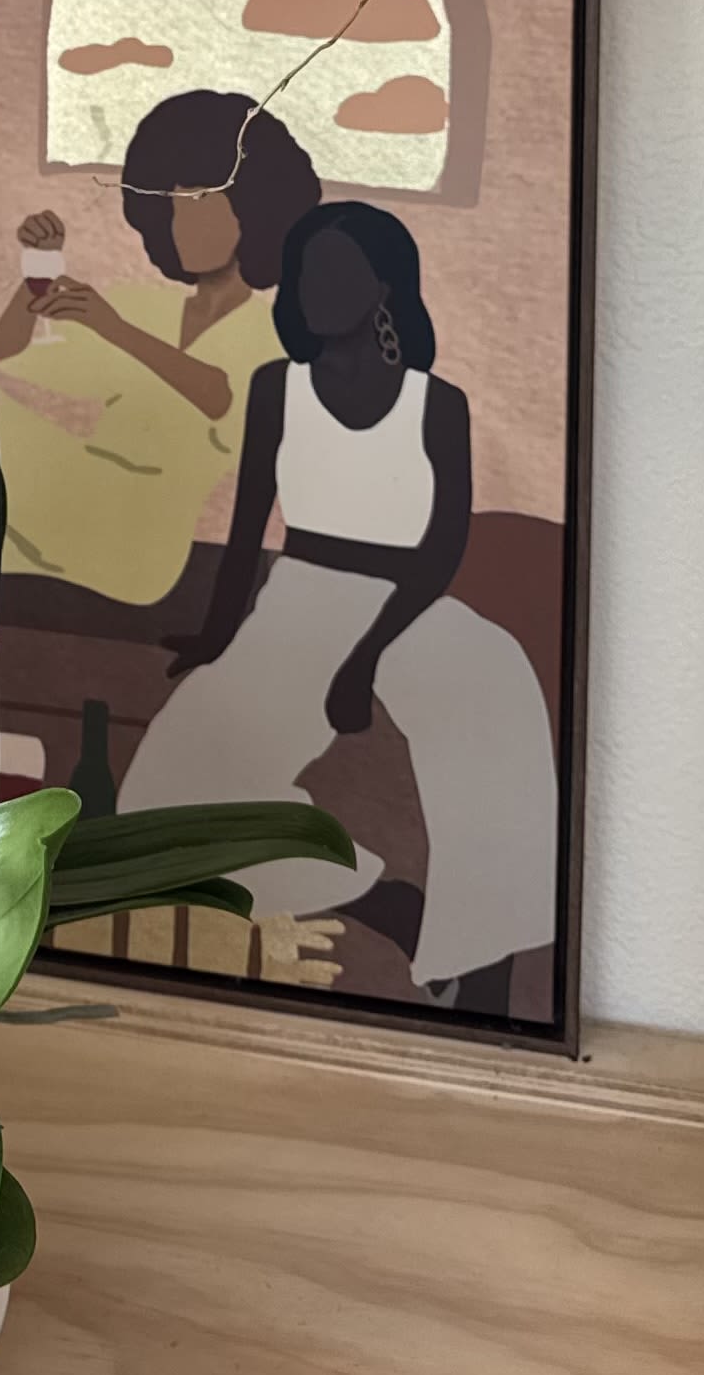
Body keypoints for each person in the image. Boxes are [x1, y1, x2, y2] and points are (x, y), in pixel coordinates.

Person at [115, 200, 557, 1001]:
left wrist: (365, 660)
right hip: (301, 598)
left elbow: (441, 550)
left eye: (336, 272)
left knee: (498, 694)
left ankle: (482, 959)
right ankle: (387, 903)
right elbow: (247, 533)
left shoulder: (437, 405)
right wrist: (217, 636)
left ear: (383, 286)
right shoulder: (277, 389)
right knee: (163, 791)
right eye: (306, 273)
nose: (314, 288)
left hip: (411, 606)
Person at [0, 90, 319, 609]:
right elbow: (8, 357)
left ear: (252, 214)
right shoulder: (143, 307)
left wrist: (113, 328)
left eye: (202, 207)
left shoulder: (270, 333)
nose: (185, 228)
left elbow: (220, 397)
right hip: (76, 492)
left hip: (138, 539)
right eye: (176, 210)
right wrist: (39, 268)